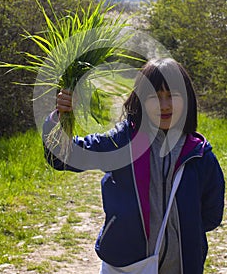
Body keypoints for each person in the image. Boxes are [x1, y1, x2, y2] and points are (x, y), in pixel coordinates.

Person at [42, 58, 225, 274]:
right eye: (154, 97)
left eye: (172, 96)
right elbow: (64, 157)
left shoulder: (201, 156)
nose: (164, 105)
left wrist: (181, 234)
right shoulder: (123, 142)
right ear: (139, 100)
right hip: (125, 266)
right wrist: (60, 118)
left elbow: (211, 215)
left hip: (182, 266)